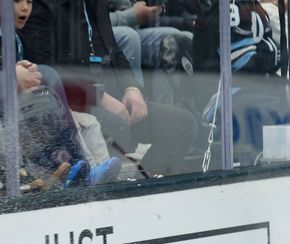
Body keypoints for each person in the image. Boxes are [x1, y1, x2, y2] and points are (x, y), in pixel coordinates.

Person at [19, 0, 198, 177]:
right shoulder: (41, 5)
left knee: (183, 124)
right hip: (75, 105)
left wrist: (132, 88)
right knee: (116, 126)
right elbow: (48, 71)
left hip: (111, 98)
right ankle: (118, 192)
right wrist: (98, 97)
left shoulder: (95, 3)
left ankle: (144, 187)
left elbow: (115, 50)